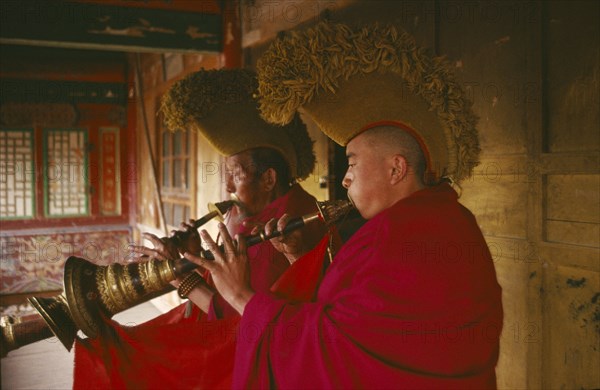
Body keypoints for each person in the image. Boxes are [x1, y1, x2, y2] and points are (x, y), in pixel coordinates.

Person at [185, 22, 504, 389]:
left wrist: (240, 294)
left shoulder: (407, 236)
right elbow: (353, 321)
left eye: (351, 162)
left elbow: (337, 351)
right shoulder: (441, 219)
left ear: (396, 168)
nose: (345, 179)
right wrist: (297, 258)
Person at [73, 69, 336, 389]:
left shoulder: (287, 226)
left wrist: (180, 276)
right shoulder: (258, 214)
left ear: (268, 179)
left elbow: (237, 323)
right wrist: (190, 256)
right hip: (239, 341)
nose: (227, 186)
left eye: (235, 175)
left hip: (259, 361)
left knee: (132, 359)